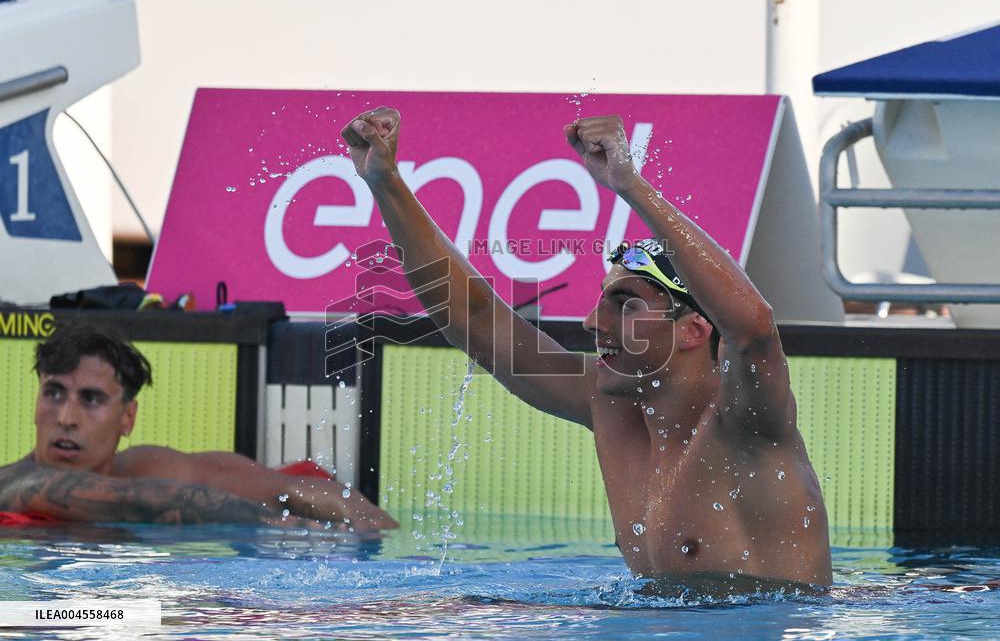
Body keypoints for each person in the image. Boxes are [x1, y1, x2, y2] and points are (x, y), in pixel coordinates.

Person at [340, 107, 831, 586]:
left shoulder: (745, 425)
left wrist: (630, 186)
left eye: (625, 304)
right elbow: (476, 320)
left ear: (694, 330)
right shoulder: (612, 409)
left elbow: (754, 329)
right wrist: (386, 184)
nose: (592, 322)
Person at [0, 323, 397, 531]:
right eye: (53, 393)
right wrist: (288, 529)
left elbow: (294, 489)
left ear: (128, 418)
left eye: (91, 399)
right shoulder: (21, 485)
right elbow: (145, 501)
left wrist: (375, 538)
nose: (67, 417)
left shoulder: (153, 468)